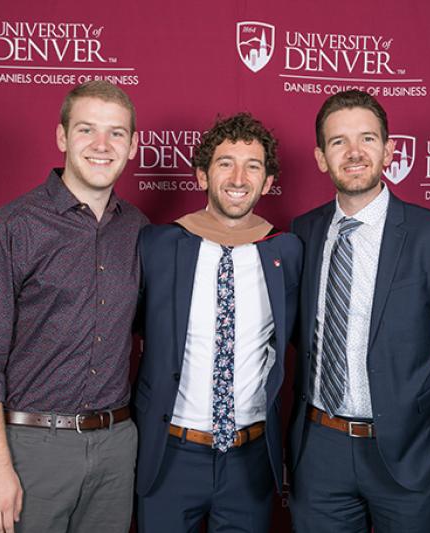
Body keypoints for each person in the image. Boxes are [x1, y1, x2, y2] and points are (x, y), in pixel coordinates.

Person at [288, 89, 430, 532]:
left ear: (389, 149)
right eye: (339, 142)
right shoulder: (302, 232)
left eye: (368, 139)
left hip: (409, 456)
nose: (355, 152)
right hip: (320, 450)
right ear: (321, 157)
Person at [0, 80, 147, 533]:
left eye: (117, 133)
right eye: (86, 130)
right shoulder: (12, 228)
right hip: (31, 447)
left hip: (116, 447)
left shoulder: (138, 230)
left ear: (133, 145)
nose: (102, 146)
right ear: (62, 137)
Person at [134, 113, 301, 532]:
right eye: (225, 163)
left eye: (253, 166)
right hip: (171, 453)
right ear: (202, 176)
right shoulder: (156, 245)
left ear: (267, 182)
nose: (238, 177)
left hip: (249, 458)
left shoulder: (286, 252)